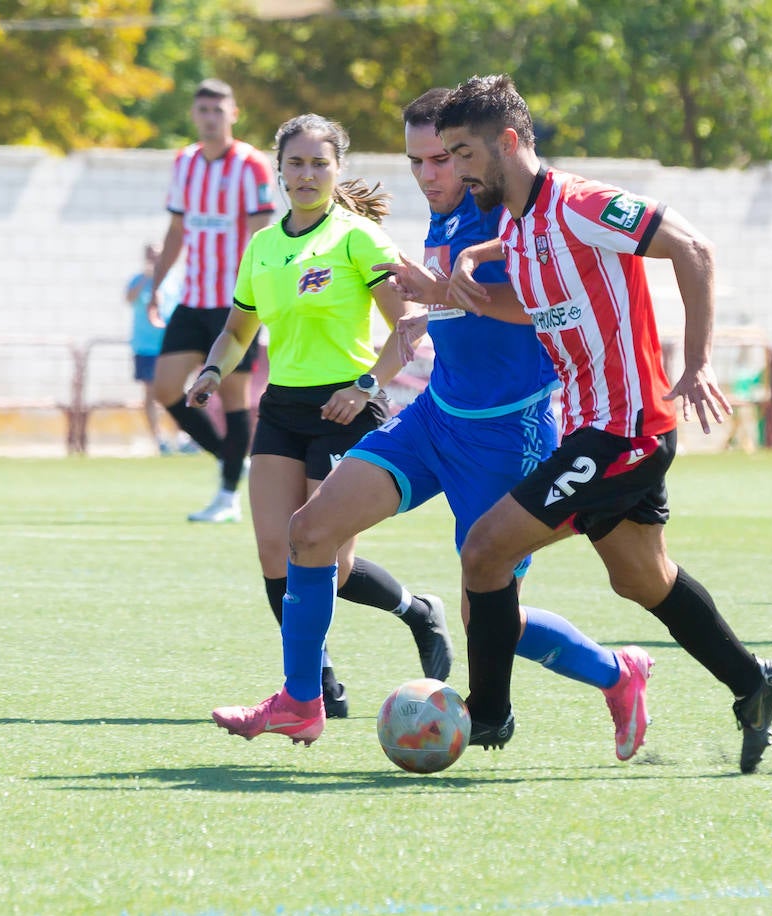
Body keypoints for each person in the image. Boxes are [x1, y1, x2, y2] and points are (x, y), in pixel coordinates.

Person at [210, 89, 656, 762]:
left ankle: (616, 673)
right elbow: (455, 313)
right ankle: (301, 701)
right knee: (310, 531)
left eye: (442, 159)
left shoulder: (511, 218)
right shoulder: (439, 221)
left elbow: (538, 306)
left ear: (475, 152)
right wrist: (432, 313)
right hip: (435, 418)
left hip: (509, 433)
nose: (428, 175)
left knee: (490, 619)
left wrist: (440, 295)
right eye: (416, 160)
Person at [437, 74, 772, 774]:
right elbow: (540, 308)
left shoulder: (582, 203)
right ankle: (753, 685)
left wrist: (697, 363)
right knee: (641, 580)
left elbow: (693, 250)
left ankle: (488, 715)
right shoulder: (515, 223)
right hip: (594, 432)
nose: (454, 170)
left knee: (484, 552)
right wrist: (474, 284)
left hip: (624, 431)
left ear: (508, 142)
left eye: (463, 152)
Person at [196, 113, 452, 729]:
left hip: (348, 411)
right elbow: (239, 330)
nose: (306, 174)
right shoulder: (262, 245)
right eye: (295, 164)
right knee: (273, 552)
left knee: (328, 565)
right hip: (282, 408)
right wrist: (212, 369)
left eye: (319, 163)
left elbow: (408, 327)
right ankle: (316, 687)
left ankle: (417, 611)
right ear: (279, 171)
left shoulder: (357, 238)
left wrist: (364, 385)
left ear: (337, 169)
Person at [148, 79, 274, 523]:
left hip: (234, 303)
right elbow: (177, 232)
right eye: (202, 110)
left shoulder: (251, 166)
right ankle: (232, 460)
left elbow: (263, 236)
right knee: (165, 388)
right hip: (192, 298)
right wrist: (156, 285)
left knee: (235, 397)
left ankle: (227, 498)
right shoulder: (183, 162)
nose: (209, 118)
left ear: (233, 114)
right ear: (194, 114)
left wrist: (264, 293)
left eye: (218, 110)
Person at [126, 243, 181, 455]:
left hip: (171, 344)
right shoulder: (139, 280)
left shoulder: (173, 279)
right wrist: (146, 279)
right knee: (150, 392)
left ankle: (180, 436)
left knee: (176, 390)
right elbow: (129, 299)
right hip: (146, 346)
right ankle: (159, 439)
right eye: (152, 256)